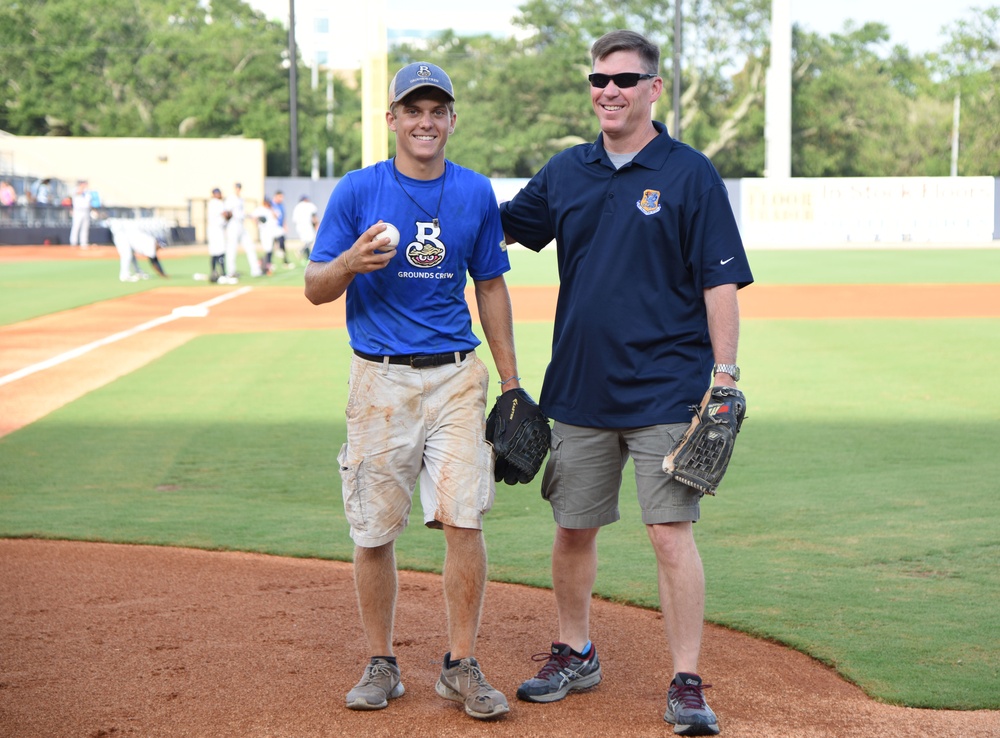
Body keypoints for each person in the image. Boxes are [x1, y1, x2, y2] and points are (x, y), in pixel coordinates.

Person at [499, 30, 753, 737]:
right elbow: (501, 230)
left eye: (623, 79)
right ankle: (575, 651)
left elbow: (720, 281)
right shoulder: (567, 171)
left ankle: (687, 681)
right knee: (572, 528)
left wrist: (723, 378)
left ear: (653, 89)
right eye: (598, 79)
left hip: (667, 388)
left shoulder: (688, 173)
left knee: (670, 534)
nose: (608, 90)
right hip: (578, 388)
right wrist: (430, 204)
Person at [304, 61, 521, 722]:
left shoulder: (475, 192)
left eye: (438, 111)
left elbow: (489, 284)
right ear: (392, 119)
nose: (426, 122)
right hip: (380, 378)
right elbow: (315, 287)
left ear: (451, 120)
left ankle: (460, 666)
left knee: (465, 517)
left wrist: (512, 384)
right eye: (413, 110)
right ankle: (382, 662)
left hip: (458, 374)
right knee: (373, 530)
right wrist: (347, 264)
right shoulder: (357, 191)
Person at [224, 182, 263, 278]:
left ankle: (255, 270)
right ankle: (231, 271)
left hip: (241, 224)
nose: (238, 189)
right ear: (234, 188)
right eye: (237, 187)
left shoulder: (241, 199)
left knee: (250, 246)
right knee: (231, 248)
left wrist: (251, 216)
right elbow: (227, 213)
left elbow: (241, 213)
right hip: (233, 224)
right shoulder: (231, 199)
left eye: (239, 188)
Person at [206, 187, 236, 284]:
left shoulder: (214, 203)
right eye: (216, 193)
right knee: (219, 251)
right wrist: (230, 214)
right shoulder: (215, 203)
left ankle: (216, 272)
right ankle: (221, 273)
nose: (218, 195)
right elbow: (225, 214)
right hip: (216, 230)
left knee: (216, 252)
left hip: (217, 229)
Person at [253, 197, 281, 275]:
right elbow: (254, 217)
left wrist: (271, 209)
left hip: (271, 231)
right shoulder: (259, 209)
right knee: (267, 249)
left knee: (270, 250)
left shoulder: (271, 209)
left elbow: (276, 216)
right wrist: (257, 224)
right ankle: (263, 265)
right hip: (264, 232)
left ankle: (266, 265)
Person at [291, 194, 318, 262]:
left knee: (307, 241)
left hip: (299, 226)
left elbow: (294, 219)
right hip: (307, 225)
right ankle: (301, 250)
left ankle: (307, 257)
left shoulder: (297, 207)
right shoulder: (310, 205)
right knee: (310, 240)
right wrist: (316, 225)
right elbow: (314, 217)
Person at [270, 190, 293, 268]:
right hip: (272, 227)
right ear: (276, 196)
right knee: (271, 245)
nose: (282, 199)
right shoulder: (271, 204)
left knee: (282, 241)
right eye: (280, 197)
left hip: (279, 227)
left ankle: (285, 261)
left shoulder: (281, 205)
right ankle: (269, 262)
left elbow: (283, 217)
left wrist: (285, 225)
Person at [69, 180, 92, 248]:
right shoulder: (76, 190)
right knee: (76, 226)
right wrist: (81, 188)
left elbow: (89, 201)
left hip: (86, 211)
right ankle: (73, 242)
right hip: (78, 211)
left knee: (85, 227)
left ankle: (84, 243)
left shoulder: (88, 192)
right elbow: (77, 193)